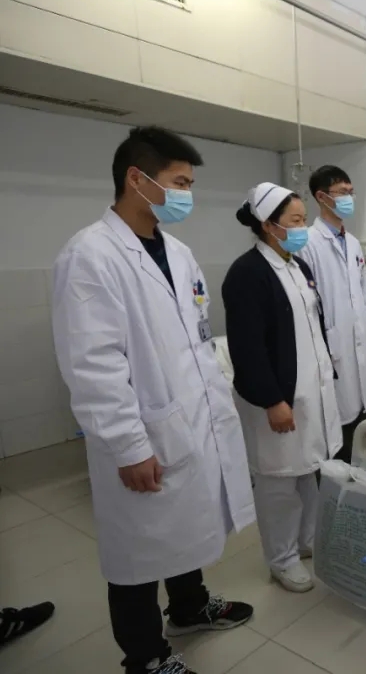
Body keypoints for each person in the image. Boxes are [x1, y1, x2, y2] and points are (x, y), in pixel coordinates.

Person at [51, 126, 255, 674]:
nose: (186, 194)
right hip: (141, 430)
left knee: (185, 523)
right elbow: (92, 365)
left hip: (190, 418)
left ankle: (188, 607)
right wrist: (127, 445)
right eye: (179, 182)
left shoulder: (179, 254)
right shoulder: (90, 255)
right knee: (137, 551)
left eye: (189, 184)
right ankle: (144, 657)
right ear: (137, 179)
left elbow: (195, 338)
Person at [222, 183, 343, 594]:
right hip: (277, 399)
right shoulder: (247, 273)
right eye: (296, 220)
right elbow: (247, 347)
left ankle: (306, 541)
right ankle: (282, 559)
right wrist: (273, 400)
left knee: (307, 473)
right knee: (278, 482)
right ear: (268, 225)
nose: (303, 227)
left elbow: (311, 330)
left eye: (304, 219)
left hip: (310, 394)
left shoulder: (297, 266)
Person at [300, 165, 366, 464]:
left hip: (357, 338)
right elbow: (308, 303)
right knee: (338, 423)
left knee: (360, 415)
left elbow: (363, 294)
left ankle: (359, 475)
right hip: (331, 344)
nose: (349, 198)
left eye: (351, 192)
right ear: (322, 197)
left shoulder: (353, 243)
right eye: (342, 192)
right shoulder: (308, 243)